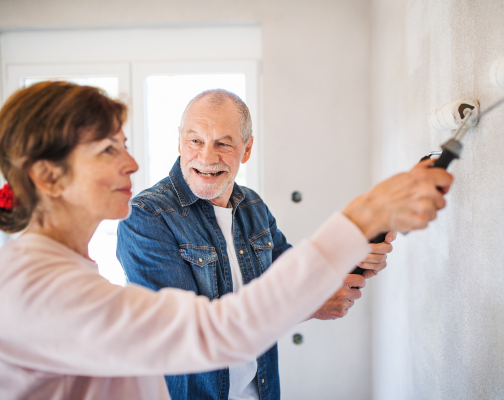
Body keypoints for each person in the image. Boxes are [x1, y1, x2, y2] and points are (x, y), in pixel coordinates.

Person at [0, 81, 452, 400]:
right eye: (109, 149)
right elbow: (213, 330)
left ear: (245, 149)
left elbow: (282, 274)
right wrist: (363, 215)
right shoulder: (36, 288)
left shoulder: (63, 272)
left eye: (124, 142)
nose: (132, 162)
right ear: (48, 177)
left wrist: (348, 258)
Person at [116, 89, 397, 400]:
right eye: (195, 141)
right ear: (180, 141)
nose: (207, 157)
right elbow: (184, 333)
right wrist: (309, 305)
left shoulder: (253, 206)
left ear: (246, 149)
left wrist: (351, 258)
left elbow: (295, 276)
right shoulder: (145, 216)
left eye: (223, 143)